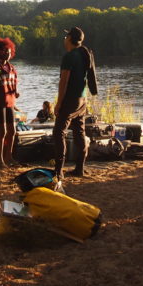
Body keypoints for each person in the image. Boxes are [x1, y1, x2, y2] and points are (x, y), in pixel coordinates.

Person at [53, 26, 98, 180]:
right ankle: (80, 168)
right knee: (79, 133)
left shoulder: (70, 56)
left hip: (70, 101)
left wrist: (59, 103)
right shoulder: (84, 53)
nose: (64, 39)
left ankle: (58, 171)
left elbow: (64, 81)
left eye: (66, 37)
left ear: (70, 38)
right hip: (82, 101)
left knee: (58, 133)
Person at [0, 38, 20, 168]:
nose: (7, 53)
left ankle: (9, 157)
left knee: (12, 131)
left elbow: (14, 85)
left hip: (10, 102)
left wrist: (16, 93)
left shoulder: (12, 68)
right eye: (4, 51)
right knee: (2, 131)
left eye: (8, 51)